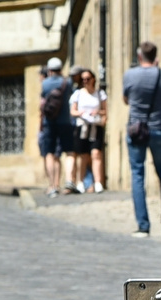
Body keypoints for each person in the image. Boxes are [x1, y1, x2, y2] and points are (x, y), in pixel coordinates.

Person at [123, 41, 161, 238]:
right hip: (158, 130)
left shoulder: (130, 75)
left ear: (139, 56)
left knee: (138, 176)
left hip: (136, 129)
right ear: (155, 56)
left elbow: (126, 100)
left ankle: (143, 226)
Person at [38, 58, 73, 197]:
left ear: (49, 70)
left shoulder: (45, 84)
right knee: (69, 152)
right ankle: (69, 180)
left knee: (49, 154)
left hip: (49, 123)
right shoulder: (67, 83)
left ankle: (53, 186)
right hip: (65, 121)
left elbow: (42, 104)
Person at [69, 68, 107, 194]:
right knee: (83, 156)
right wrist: (81, 113)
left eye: (88, 79)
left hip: (95, 126)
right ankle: (81, 182)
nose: (85, 81)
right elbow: (72, 111)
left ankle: (98, 182)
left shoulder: (100, 93)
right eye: (83, 79)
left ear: (93, 79)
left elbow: (105, 111)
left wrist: (98, 113)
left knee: (96, 154)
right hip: (83, 127)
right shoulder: (78, 94)